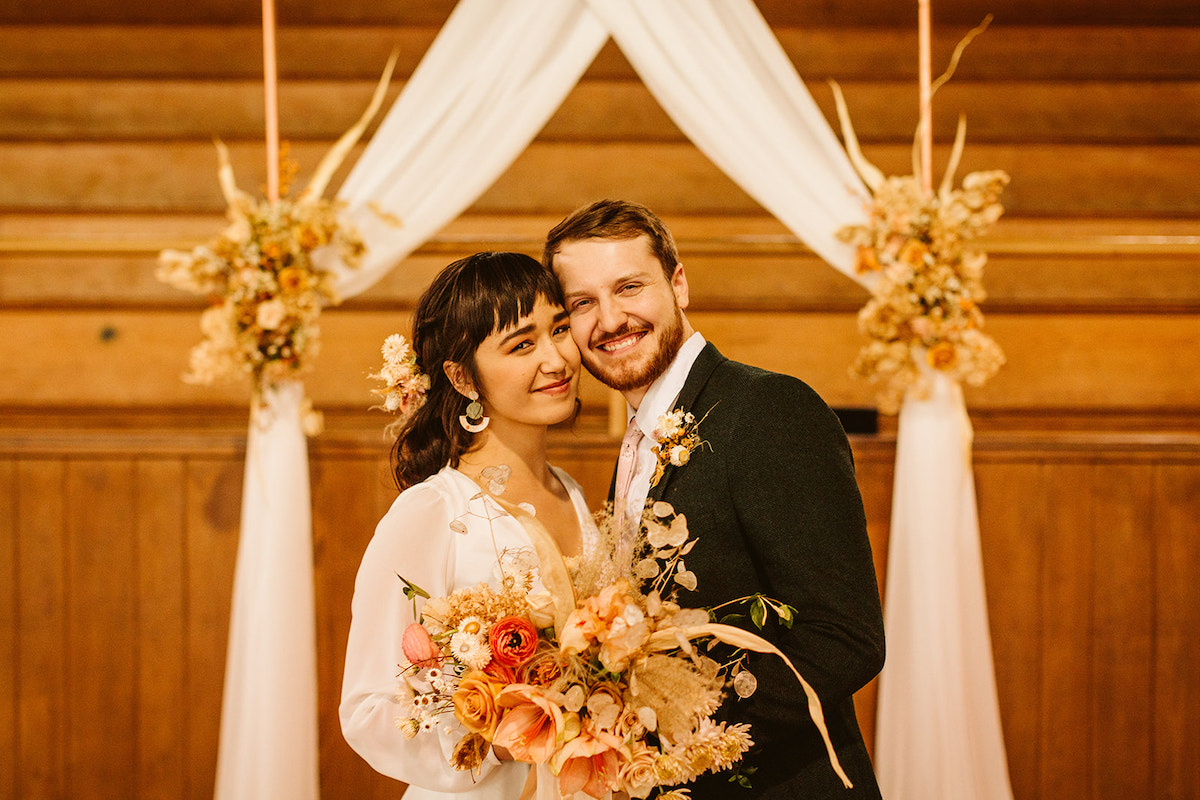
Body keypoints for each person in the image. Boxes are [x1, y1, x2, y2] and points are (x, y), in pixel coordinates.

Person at [543, 200, 886, 799]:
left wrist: (670, 722)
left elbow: (845, 638)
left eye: (629, 287)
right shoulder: (638, 437)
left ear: (678, 284)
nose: (611, 319)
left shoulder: (770, 411)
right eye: (583, 303)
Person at [340, 252, 596, 800]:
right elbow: (367, 709)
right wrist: (501, 741)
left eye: (559, 330)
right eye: (522, 344)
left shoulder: (572, 493)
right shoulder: (433, 511)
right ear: (461, 376)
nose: (556, 359)